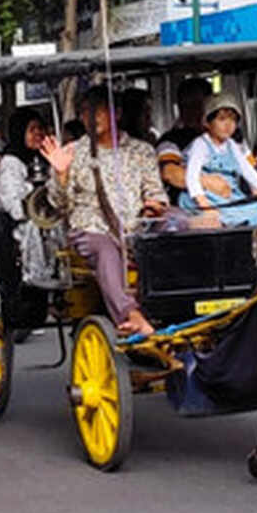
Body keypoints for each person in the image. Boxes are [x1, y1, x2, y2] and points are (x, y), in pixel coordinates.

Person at [41, 85, 167, 336]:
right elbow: (60, 206)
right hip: (91, 229)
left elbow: (155, 193)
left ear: (116, 114)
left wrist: (155, 207)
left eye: (99, 111)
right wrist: (62, 175)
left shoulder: (141, 150)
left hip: (136, 227)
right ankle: (130, 315)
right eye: (86, 112)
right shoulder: (72, 153)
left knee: (181, 225)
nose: (92, 117)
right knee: (105, 250)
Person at [180, 93, 257, 228]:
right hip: (205, 197)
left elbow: (246, 170)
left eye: (233, 120)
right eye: (222, 119)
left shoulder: (231, 145)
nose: (228, 125)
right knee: (226, 215)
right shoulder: (201, 144)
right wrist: (205, 205)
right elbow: (191, 177)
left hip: (229, 195)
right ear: (207, 123)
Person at [0, 107, 54, 288]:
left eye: (40, 128)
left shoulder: (47, 159)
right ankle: (38, 274)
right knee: (35, 228)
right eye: (32, 129)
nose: (38, 134)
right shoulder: (10, 163)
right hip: (22, 222)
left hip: (50, 214)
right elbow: (13, 205)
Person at [156, 77, 213, 202]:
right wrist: (209, 183)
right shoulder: (170, 141)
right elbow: (170, 173)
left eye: (197, 104)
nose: (189, 111)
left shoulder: (230, 137)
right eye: (184, 105)